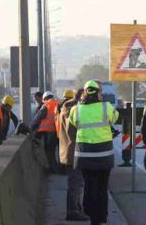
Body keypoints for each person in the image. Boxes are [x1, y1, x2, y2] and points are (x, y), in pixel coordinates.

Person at [68, 80, 119, 225]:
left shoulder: (76, 110)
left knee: (89, 186)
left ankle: (91, 215)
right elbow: (115, 118)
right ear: (98, 93)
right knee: (102, 187)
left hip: (84, 156)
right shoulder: (106, 107)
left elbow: (73, 122)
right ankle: (101, 217)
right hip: (104, 156)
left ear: (84, 93)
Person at [57, 89, 89, 221]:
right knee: (76, 183)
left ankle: (77, 208)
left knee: (77, 182)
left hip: (68, 151)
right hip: (73, 152)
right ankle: (72, 211)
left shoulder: (65, 107)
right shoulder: (72, 109)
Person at [31, 91, 59, 173]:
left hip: (49, 132)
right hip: (58, 131)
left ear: (45, 98)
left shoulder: (46, 106)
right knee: (56, 151)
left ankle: (53, 169)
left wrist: (30, 128)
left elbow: (37, 119)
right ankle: (60, 168)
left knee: (49, 151)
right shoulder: (58, 104)